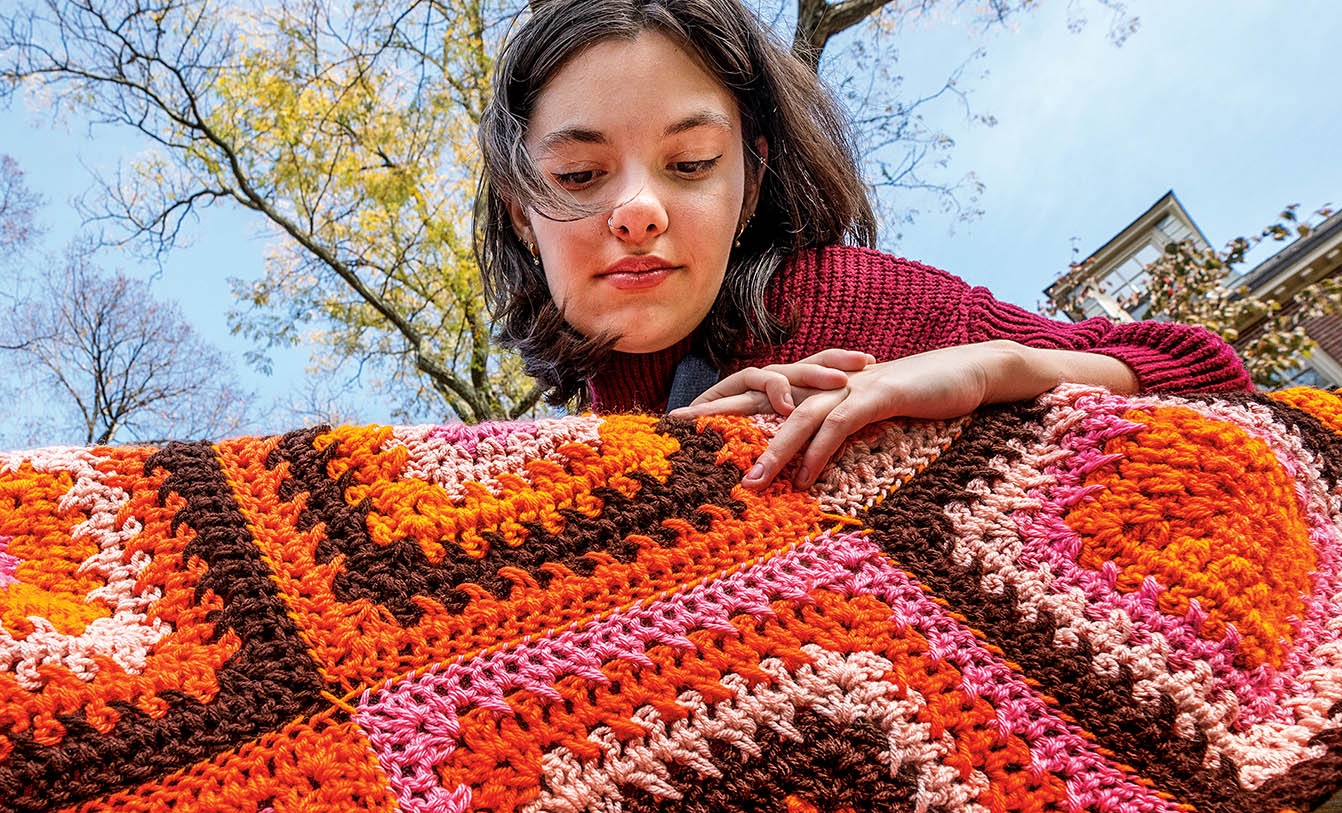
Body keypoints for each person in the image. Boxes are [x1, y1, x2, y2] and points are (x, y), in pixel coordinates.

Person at [476, 0, 1253, 492]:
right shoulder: (588, 423)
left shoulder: (847, 296)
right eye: (579, 174)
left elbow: (1210, 381)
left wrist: (1000, 366)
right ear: (519, 212)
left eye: (690, 164)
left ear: (749, 185)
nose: (639, 210)